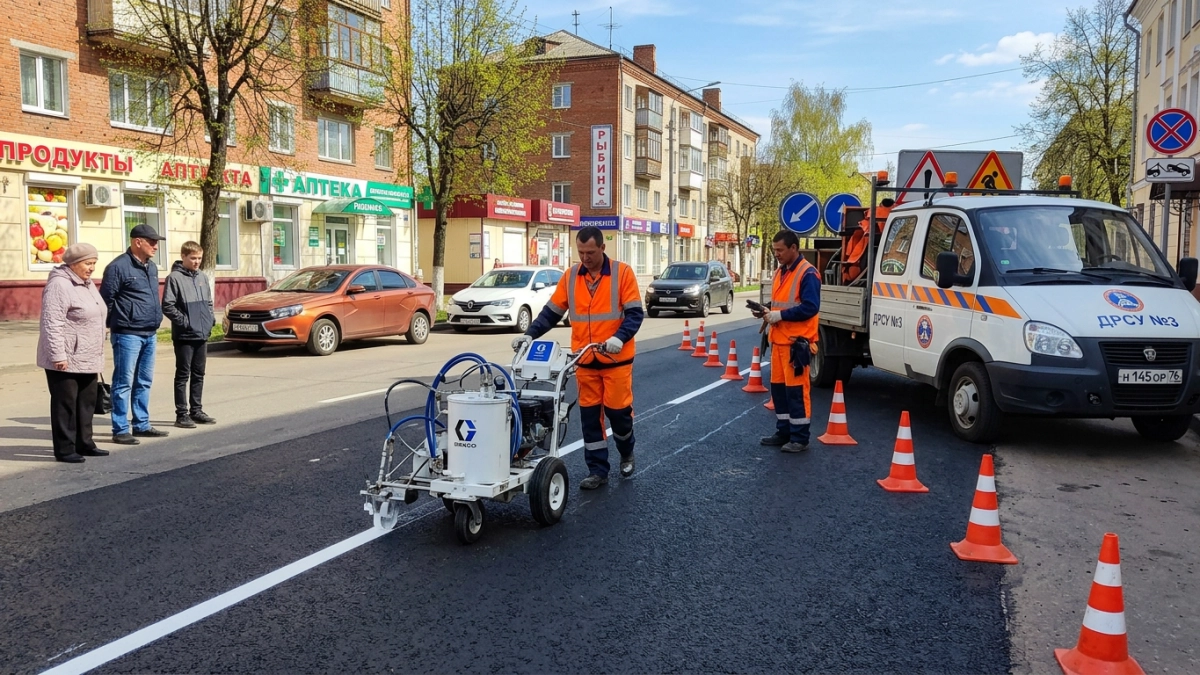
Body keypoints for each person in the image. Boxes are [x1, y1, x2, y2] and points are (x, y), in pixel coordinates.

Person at [513, 226, 644, 489]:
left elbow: (635, 314)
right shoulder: (571, 276)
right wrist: (530, 334)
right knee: (590, 418)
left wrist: (618, 338)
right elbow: (552, 312)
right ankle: (598, 471)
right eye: (581, 252)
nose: (585, 258)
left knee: (619, 415)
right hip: (584, 362)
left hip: (616, 361)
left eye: (591, 252)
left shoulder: (622, 273)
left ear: (602, 249)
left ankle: (626, 450)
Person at [37, 243, 109, 463]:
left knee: (86, 402)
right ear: (73, 264)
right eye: (88, 263)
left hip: (88, 354)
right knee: (65, 404)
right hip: (66, 357)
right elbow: (52, 322)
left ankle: (84, 443)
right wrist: (58, 354)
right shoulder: (59, 285)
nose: (92, 268)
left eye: (94, 263)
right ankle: (65, 449)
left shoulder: (86, 284)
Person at [101, 223, 169, 445]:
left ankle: (141, 424)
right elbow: (105, 301)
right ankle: (120, 428)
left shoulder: (151, 267)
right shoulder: (118, 267)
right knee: (123, 382)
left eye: (156, 242)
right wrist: (109, 326)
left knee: (144, 381)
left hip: (150, 332)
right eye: (151, 242)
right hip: (127, 334)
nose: (155, 246)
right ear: (137, 242)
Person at [753, 230, 821, 453]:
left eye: (780, 250)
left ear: (794, 248)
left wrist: (779, 316)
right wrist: (768, 311)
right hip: (779, 342)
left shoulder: (808, 273)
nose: (777, 255)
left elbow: (810, 307)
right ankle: (784, 432)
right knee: (780, 392)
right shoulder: (780, 272)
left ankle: (800, 438)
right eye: (774, 251)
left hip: (796, 344)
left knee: (796, 393)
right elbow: (783, 302)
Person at [162, 241, 216, 429]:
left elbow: (208, 302)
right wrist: (185, 322)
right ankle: (182, 414)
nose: (196, 262)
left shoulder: (202, 276)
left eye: (199, 258)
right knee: (183, 374)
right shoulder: (174, 278)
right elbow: (168, 306)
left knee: (199, 373)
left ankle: (197, 410)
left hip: (202, 334)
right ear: (183, 256)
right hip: (185, 336)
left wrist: (209, 320)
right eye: (193, 258)